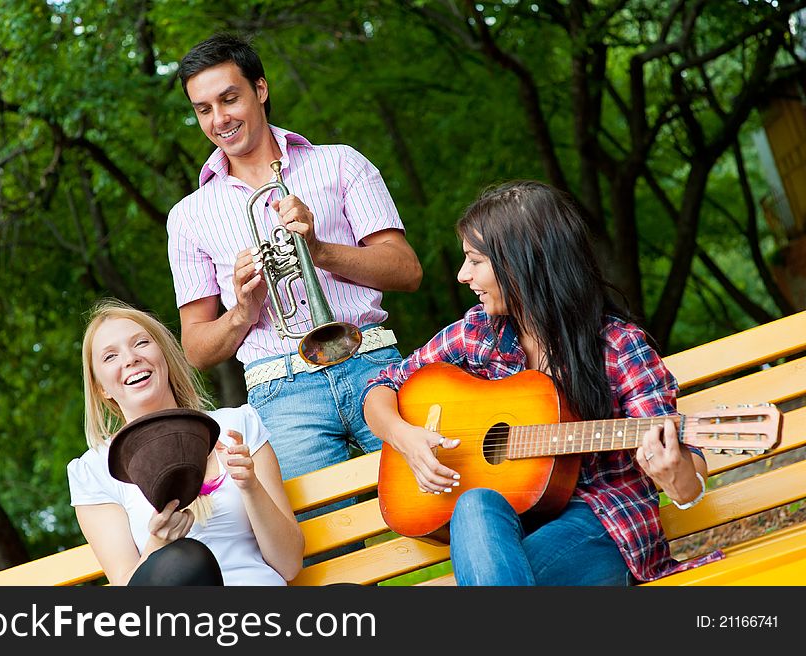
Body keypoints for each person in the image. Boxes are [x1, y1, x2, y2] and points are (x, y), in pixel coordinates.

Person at [362, 180, 723, 585]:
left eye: (475, 261)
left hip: (603, 526)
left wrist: (678, 480)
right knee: (475, 503)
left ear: (522, 264)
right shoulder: (478, 333)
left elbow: (682, 466)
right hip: (516, 530)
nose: (463, 275)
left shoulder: (618, 346)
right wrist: (404, 437)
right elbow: (381, 385)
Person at [166, 32, 422, 483]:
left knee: (437, 498)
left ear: (260, 90)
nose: (219, 119)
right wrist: (242, 311)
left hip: (370, 360)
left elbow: (406, 271)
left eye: (229, 99)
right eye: (203, 109)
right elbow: (196, 349)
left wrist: (319, 251)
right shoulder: (188, 217)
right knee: (319, 545)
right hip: (279, 387)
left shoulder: (342, 163)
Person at [67, 298, 304, 586]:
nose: (130, 358)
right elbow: (127, 588)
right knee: (186, 561)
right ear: (100, 386)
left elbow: (289, 565)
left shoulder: (237, 427)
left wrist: (250, 485)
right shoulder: (94, 471)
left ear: (164, 355)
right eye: (110, 356)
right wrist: (157, 543)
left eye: (141, 343)